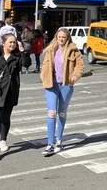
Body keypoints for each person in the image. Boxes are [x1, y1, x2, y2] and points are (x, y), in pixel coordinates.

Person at [40, 28, 84, 156]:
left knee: (62, 112)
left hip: (65, 85)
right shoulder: (50, 49)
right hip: (51, 84)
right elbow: (45, 65)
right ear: (56, 37)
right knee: (52, 112)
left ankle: (59, 139)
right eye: (59, 37)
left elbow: (80, 66)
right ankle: (50, 143)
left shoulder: (73, 50)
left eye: (63, 37)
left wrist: (75, 76)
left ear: (67, 38)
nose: (61, 39)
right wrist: (43, 75)